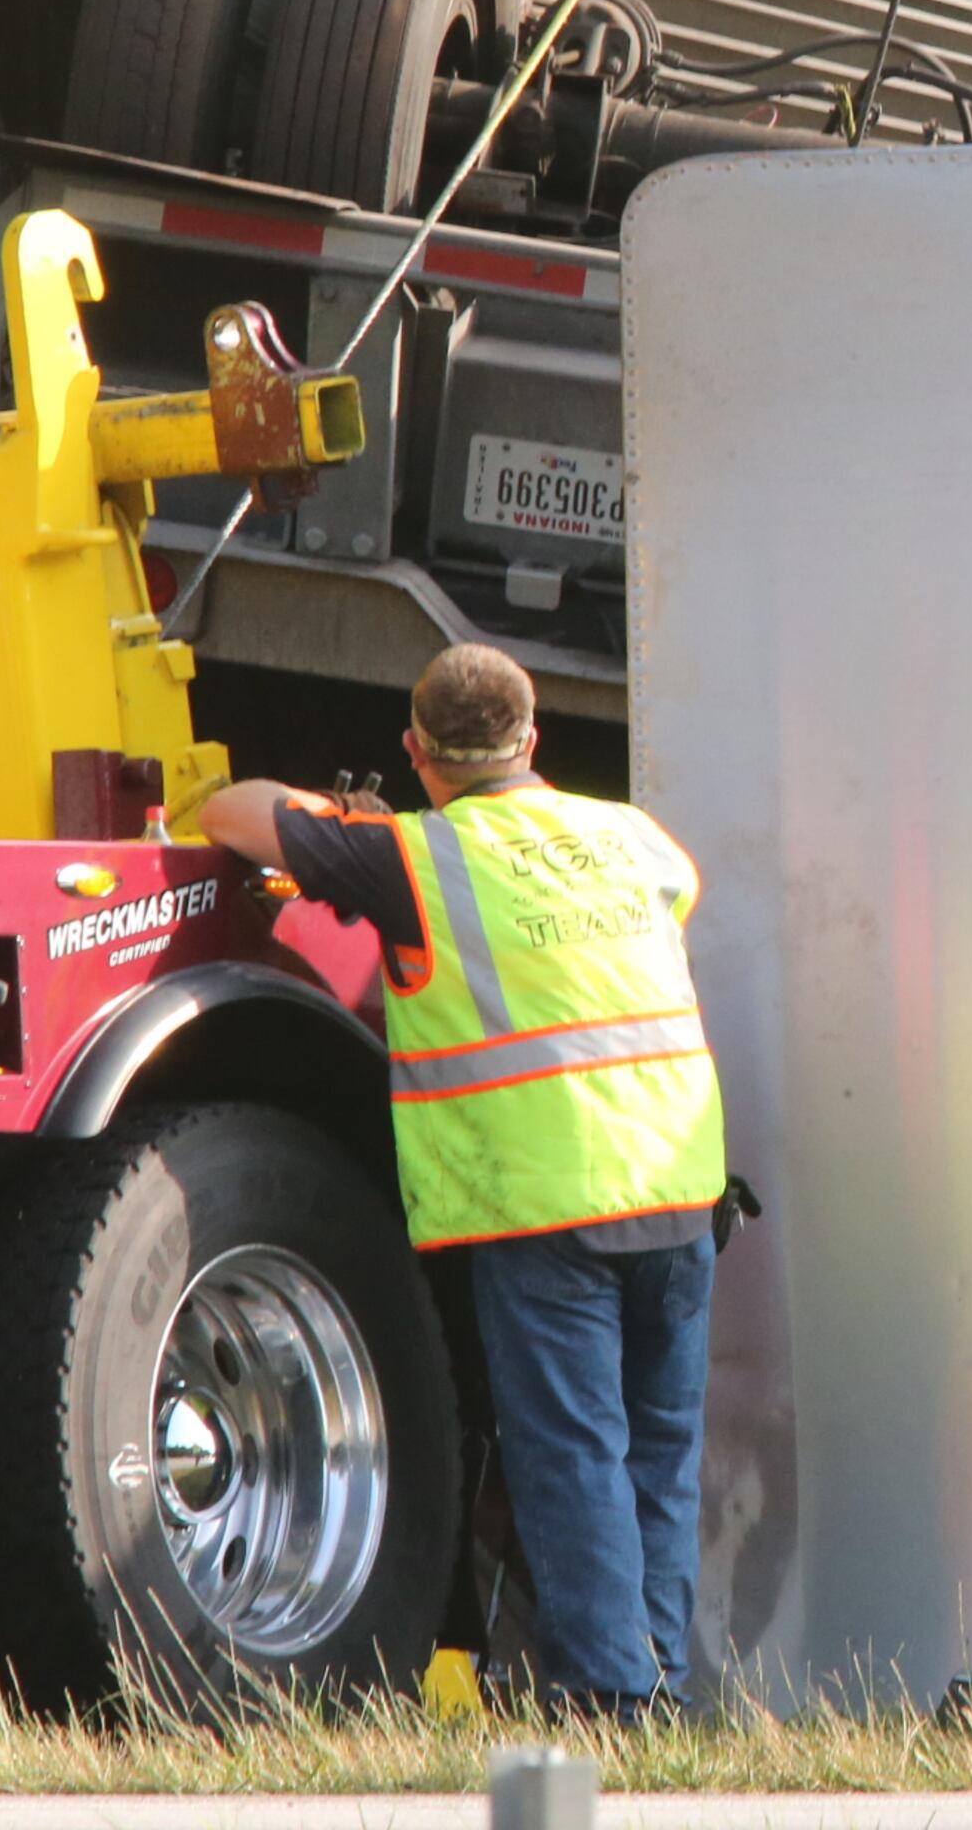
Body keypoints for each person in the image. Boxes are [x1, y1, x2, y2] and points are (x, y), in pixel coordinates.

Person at [195, 643, 727, 1710]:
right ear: (532, 740)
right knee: (658, 1456)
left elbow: (227, 813)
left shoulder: (412, 859)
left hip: (549, 1205)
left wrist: (329, 815)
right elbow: (666, 910)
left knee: (573, 1454)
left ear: (415, 750)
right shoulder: (636, 839)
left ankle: (614, 1699)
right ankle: (657, 1686)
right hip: (678, 1193)